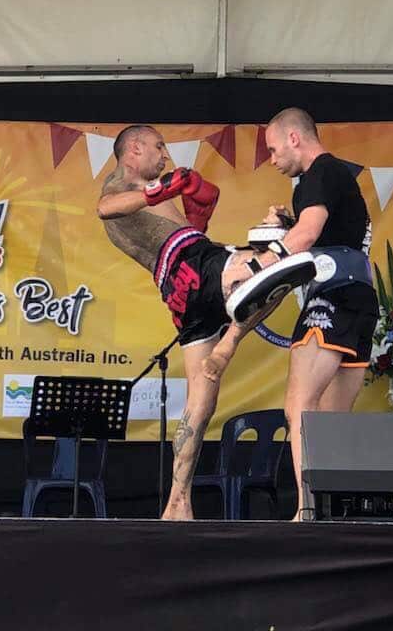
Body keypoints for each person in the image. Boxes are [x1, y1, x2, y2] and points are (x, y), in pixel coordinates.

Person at [96, 124, 315, 520]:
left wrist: (197, 206)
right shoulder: (118, 193)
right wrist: (158, 191)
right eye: (159, 146)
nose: (165, 155)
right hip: (193, 266)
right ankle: (234, 332)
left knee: (201, 402)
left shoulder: (153, 192)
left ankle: (177, 503)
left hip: (183, 294)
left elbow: (190, 229)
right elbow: (105, 209)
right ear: (134, 147)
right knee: (283, 264)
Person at [253, 107, 378, 521]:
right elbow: (327, 230)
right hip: (361, 299)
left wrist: (260, 265)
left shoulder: (319, 173)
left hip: (333, 294)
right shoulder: (336, 176)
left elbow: (308, 235)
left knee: (299, 406)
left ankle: (307, 507)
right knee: (331, 418)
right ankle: (331, 508)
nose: (271, 160)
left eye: (273, 149)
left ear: (294, 138)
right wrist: (286, 222)